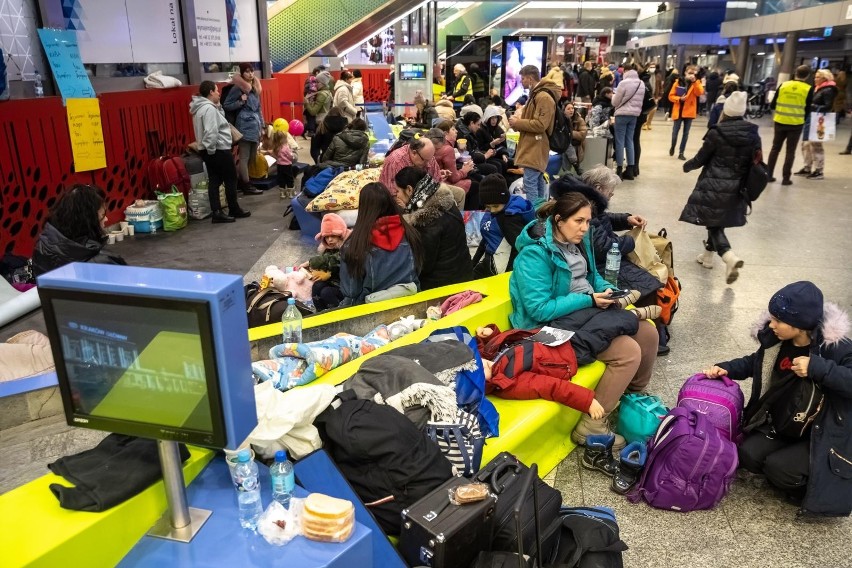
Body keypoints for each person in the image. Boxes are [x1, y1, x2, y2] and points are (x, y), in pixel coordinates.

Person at [508, 192, 659, 451]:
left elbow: (591, 277)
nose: (585, 228)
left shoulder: (577, 241)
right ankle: (591, 426)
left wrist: (606, 290)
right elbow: (539, 309)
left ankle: (628, 398)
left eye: (588, 221)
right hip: (547, 329)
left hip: (583, 315)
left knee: (648, 334)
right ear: (558, 220)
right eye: (579, 221)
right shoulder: (533, 256)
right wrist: (590, 300)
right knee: (627, 351)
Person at [704, 281, 852, 517]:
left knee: (780, 470)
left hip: (821, 432)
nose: (771, 324)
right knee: (747, 455)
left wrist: (817, 367)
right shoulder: (778, 341)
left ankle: (809, 485)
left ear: (801, 325)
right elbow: (755, 362)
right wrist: (726, 369)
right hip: (785, 423)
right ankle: (786, 462)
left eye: (778, 321)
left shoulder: (836, 349)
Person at [551, 167, 663, 308]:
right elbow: (602, 247)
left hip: (597, 267)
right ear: (598, 188)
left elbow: (601, 219)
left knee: (645, 282)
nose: (612, 194)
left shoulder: (587, 202)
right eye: (610, 191)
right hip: (601, 264)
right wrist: (631, 240)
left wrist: (626, 219)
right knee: (647, 284)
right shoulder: (586, 206)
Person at [680, 92, 759, 284]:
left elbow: (701, 158)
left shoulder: (717, 132)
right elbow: (755, 161)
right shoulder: (752, 134)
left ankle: (729, 257)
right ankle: (707, 257)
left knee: (714, 224)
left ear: (727, 111)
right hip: (736, 187)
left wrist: (687, 166)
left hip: (713, 184)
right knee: (716, 220)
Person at [338, 182, 421, 306]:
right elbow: (417, 272)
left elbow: (351, 292)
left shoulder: (354, 245)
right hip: (409, 304)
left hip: (369, 310)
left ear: (363, 208)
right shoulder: (411, 233)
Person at [394, 167, 472, 290]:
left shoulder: (426, 222)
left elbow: (423, 266)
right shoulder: (447, 203)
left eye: (397, 191)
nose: (396, 195)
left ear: (409, 189)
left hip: (443, 286)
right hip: (464, 272)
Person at [32, 184, 127, 276]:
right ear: (88, 221)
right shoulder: (105, 263)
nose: (106, 219)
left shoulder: (41, 249)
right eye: (102, 215)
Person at [190, 81, 250, 223]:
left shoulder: (199, 108)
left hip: (207, 150)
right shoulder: (209, 109)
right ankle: (233, 208)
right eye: (217, 91)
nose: (218, 93)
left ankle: (216, 212)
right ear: (210, 92)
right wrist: (211, 150)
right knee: (231, 178)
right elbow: (211, 131)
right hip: (217, 149)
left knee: (214, 180)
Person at [508, 65, 561, 204]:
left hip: (536, 146)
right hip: (534, 144)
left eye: (523, 78)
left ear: (530, 78)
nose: (522, 81)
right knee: (537, 182)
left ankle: (535, 218)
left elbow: (540, 125)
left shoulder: (543, 96)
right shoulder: (538, 94)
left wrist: (518, 123)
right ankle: (540, 215)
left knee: (530, 183)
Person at [471, 174, 534, 277]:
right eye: (488, 207)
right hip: (491, 259)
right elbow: (487, 238)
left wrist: (507, 276)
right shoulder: (497, 211)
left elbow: (518, 248)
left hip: (500, 268)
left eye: (495, 206)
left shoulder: (509, 219)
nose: (492, 210)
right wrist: (473, 263)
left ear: (505, 200)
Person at [766, 65, 813, 186]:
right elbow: (808, 109)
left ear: (795, 73)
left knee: (775, 148)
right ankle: (786, 179)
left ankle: (768, 175)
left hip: (780, 121)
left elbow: (772, 105)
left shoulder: (783, 85)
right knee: (790, 152)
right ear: (807, 76)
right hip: (796, 124)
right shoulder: (808, 89)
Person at [223, 63, 264, 195]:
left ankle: (243, 180)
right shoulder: (237, 88)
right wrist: (241, 101)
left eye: (252, 71)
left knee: (252, 156)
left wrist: (262, 126)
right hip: (244, 125)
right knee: (245, 157)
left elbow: (259, 109)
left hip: (255, 125)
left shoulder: (256, 88)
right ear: (241, 74)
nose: (250, 74)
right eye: (247, 72)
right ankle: (246, 184)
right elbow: (227, 105)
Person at [797, 69, 838, 181]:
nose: (815, 79)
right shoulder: (818, 89)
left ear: (825, 78)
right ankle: (807, 167)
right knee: (806, 144)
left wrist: (811, 105)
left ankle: (819, 170)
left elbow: (828, 106)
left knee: (816, 145)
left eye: (818, 77)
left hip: (818, 120)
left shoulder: (828, 90)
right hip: (811, 119)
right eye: (815, 77)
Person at [308, 213, 351, 311]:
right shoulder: (328, 248)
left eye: (333, 236)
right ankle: (320, 313)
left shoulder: (348, 246)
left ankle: (338, 314)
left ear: (340, 234)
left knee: (326, 292)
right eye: (327, 237)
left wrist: (311, 262)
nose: (330, 239)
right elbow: (326, 260)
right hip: (335, 282)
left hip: (347, 285)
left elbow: (335, 261)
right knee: (317, 285)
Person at [611, 69, 645, 180]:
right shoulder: (641, 83)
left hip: (622, 115)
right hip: (634, 116)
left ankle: (619, 169)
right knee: (630, 141)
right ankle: (630, 170)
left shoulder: (623, 83)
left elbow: (615, 102)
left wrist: (613, 96)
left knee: (620, 142)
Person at [561, 102, 587, 176]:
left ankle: (567, 174)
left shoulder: (579, 120)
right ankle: (575, 166)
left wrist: (570, 133)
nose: (571, 110)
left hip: (577, 145)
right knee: (566, 144)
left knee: (566, 145)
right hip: (564, 145)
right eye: (568, 109)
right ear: (564, 111)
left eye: (572, 108)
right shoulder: (561, 120)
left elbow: (582, 134)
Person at [268, 130, 296, 199]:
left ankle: (282, 193)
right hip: (287, 165)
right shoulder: (286, 147)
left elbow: (275, 155)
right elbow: (290, 156)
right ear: (282, 139)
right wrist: (293, 156)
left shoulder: (276, 147)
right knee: (289, 178)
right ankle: (290, 192)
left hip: (279, 165)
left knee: (281, 179)